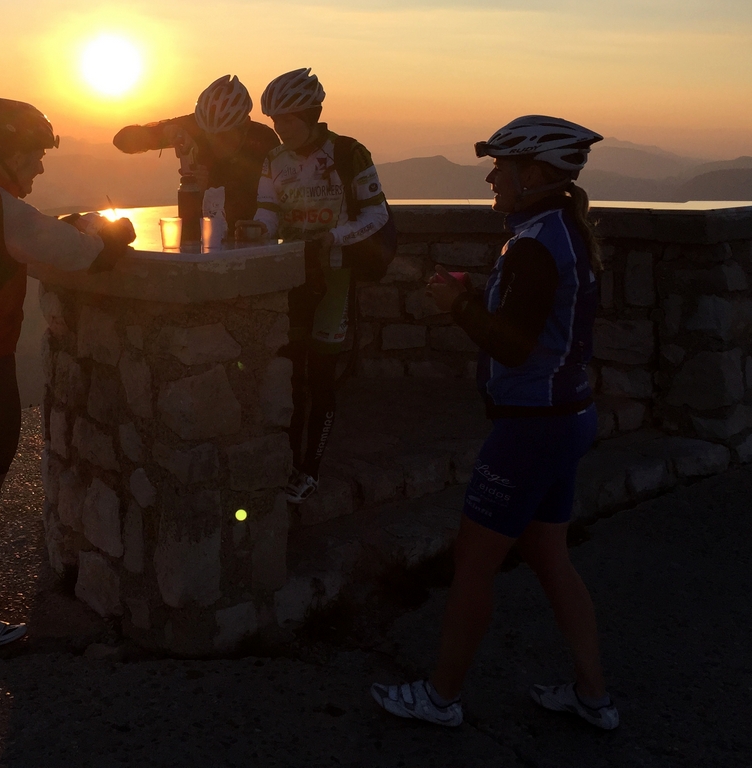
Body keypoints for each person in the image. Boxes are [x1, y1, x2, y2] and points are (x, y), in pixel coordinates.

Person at [371, 115, 620, 731]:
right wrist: (478, 295)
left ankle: (441, 696)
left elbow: (512, 346)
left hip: (532, 426)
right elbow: (538, 318)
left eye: (500, 167)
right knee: (548, 553)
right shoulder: (563, 231)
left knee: (474, 561)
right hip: (569, 417)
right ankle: (593, 696)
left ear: (531, 174)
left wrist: (454, 304)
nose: (490, 176)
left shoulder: (537, 241)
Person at [0, 96, 135, 648]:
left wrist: (67, 228)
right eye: (37, 154)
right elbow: (85, 255)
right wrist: (111, 234)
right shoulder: (8, 210)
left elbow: (16, 240)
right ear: (15, 153)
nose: (42, 165)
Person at [252, 68, 390, 503]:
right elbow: (268, 212)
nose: (279, 130)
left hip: (334, 276)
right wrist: (256, 229)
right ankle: (289, 461)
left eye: (287, 121)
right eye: (274, 122)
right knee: (292, 376)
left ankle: (310, 469)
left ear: (311, 115)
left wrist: (334, 236)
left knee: (322, 377)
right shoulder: (274, 160)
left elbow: (376, 215)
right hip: (292, 277)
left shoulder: (349, 153)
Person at [113, 75, 280, 232]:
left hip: (253, 232)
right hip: (204, 232)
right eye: (208, 132)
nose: (215, 138)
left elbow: (276, 195)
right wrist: (167, 132)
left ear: (243, 124)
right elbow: (122, 141)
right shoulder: (195, 125)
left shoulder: (263, 140)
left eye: (223, 134)